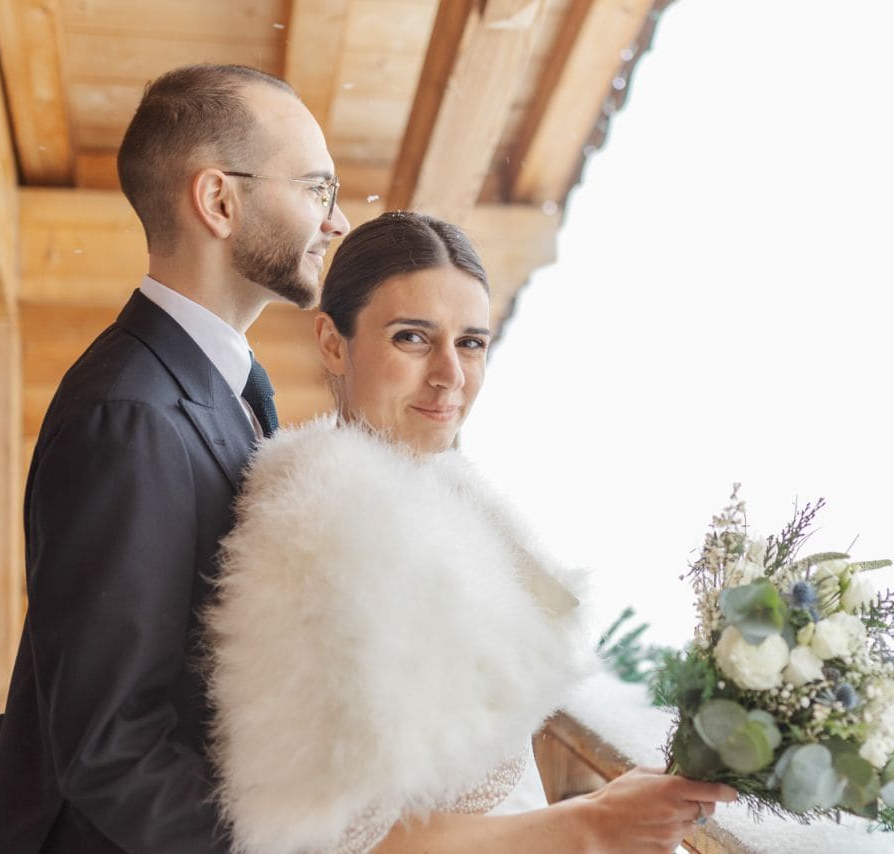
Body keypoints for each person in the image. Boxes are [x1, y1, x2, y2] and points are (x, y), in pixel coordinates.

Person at [206, 211, 737, 854]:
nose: (450, 375)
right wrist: (588, 826)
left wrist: (605, 807)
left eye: (471, 342)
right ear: (332, 341)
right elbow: (327, 840)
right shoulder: (317, 537)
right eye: (411, 338)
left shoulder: (451, 495)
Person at [0, 64, 349, 852]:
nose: (336, 221)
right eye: (317, 188)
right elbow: (112, 746)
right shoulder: (129, 415)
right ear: (218, 200)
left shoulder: (231, 386)